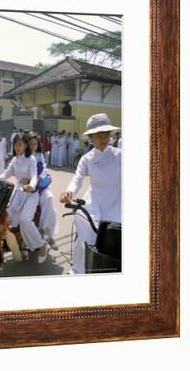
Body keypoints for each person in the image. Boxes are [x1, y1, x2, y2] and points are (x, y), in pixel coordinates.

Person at [59, 113, 122, 274]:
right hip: (94, 205)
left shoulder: (119, 155)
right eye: (98, 134)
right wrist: (69, 192)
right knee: (84, 240)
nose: (103, 138)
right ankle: (78, 271)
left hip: (117, 204)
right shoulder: (86, 158)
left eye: (106, 133)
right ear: (91, 137)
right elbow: (77, 179)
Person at [0, 133, 47, 263]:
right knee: (8, 215)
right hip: (18, 192)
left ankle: (41, 245)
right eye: (15, 144)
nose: (17, 147)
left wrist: (31, 185)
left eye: (20, 144)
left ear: (25, 145)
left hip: (31, 195)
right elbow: (6, 174)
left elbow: (34, 175)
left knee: (25, 220)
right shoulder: (15, 160)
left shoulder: (31, 159)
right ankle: (15, 241)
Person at [28, 132, 59, 250]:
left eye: (35, 144)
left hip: (41, 186)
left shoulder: (40, 155)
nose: (33, 146)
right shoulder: (23, 155)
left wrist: (39, 178)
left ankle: (47, 233)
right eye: (30, 144)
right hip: (28, 188)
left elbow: (44, 169)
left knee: (49, 198)